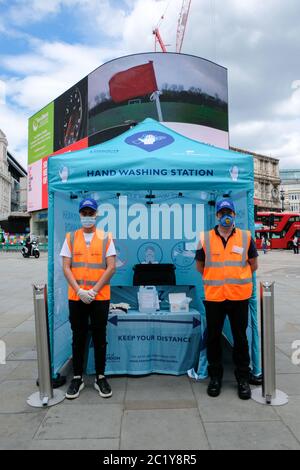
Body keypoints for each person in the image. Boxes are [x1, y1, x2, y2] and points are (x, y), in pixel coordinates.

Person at [195, 199, 258, 400]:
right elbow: (200, 266)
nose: (226, 216)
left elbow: (253, 265)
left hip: (238, 297)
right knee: (213, 337)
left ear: (234, 215)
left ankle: (243, 378)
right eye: (222, 213)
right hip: (214, 298)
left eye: (229, 212)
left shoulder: (246, 237)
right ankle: (215, 378)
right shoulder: (205, 238)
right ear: (217, 216)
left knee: (240, 338)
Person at [60, 198, 116, 399]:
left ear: (96, 214)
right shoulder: (71, 237)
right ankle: (77, 378)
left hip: (99, 297)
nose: (87, 217)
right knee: (78, 336)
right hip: (77, 297)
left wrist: (93, 291)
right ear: (79, 215)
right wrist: (79, 291)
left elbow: (111, 266)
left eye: (90, 213)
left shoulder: (106, 237)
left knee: (100, 337)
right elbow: (66, 267)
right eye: (84, 213)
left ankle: (101, 377)